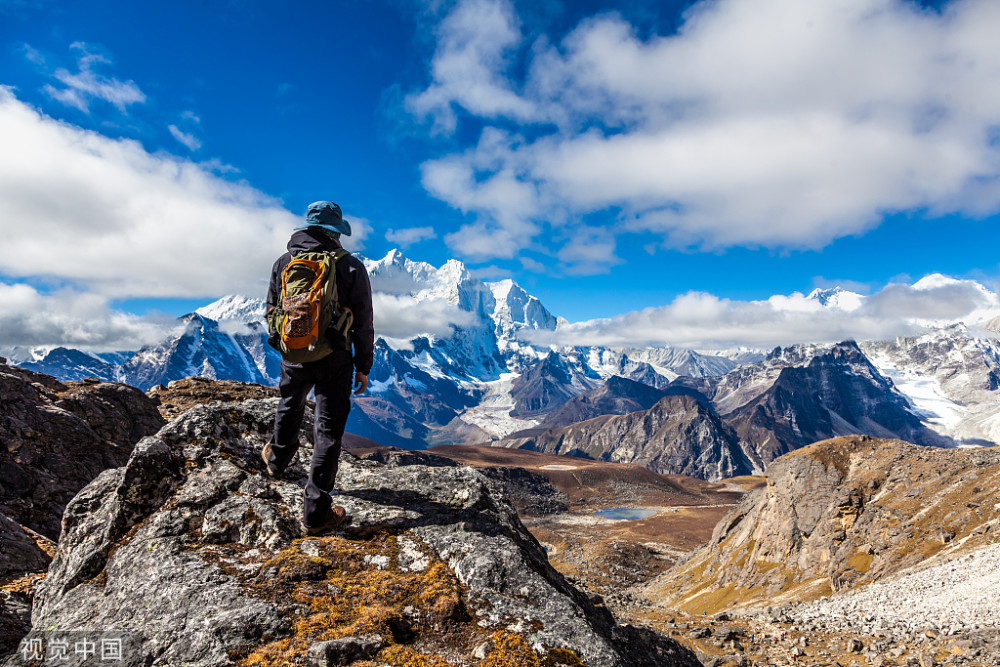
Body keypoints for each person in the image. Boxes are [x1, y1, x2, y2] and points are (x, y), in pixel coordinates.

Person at [261, 200, 374, 535]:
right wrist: (363, 366)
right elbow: (364, 324)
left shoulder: (284, 262)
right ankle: (316, 512)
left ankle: (277, 460)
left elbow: (271, 309)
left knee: (289, 404)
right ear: (336, 232)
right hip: (335, 359)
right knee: (327, 430)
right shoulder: (350, 267)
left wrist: (286, 342)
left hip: (294, 354)